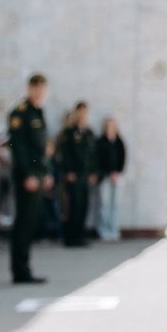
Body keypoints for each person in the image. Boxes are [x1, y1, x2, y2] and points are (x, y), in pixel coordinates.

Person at [7, 76, 52, 283]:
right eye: (36, 88)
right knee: (24, 222)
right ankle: (20, 270)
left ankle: (25, 266)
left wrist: (46, 172)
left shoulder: (38, 112)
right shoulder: (21, 113)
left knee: (30, 221)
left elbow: (43, 148)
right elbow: (19, 147)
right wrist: (29, 174)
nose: (39, 92)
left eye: (43, 88)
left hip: (38, 173)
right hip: (28, 175)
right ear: (30, 88)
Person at [55, 102, 97, 247]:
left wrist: (93, 173)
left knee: (84, 205)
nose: (83, 115)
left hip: (85, 175)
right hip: (73, 175)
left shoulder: (89, 133)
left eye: (85, 112)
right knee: (73, 206)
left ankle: (79, 236)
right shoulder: (69, 132)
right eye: (81, 112)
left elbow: (93, 155)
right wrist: (68, 171)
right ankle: (70, 237)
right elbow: (65, 154)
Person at [95, 113, 128, 239]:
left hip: (116, 177)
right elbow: (98, 159)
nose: (110, 128)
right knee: (104, 203)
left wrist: (117, 172)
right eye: (108, 125)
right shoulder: (100, 142)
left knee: (116, 204)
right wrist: (107, 172)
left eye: (112, 125)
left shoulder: (119, 142)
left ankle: (113, 228)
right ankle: (103, 229)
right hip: (104, 177)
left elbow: (122, 158)